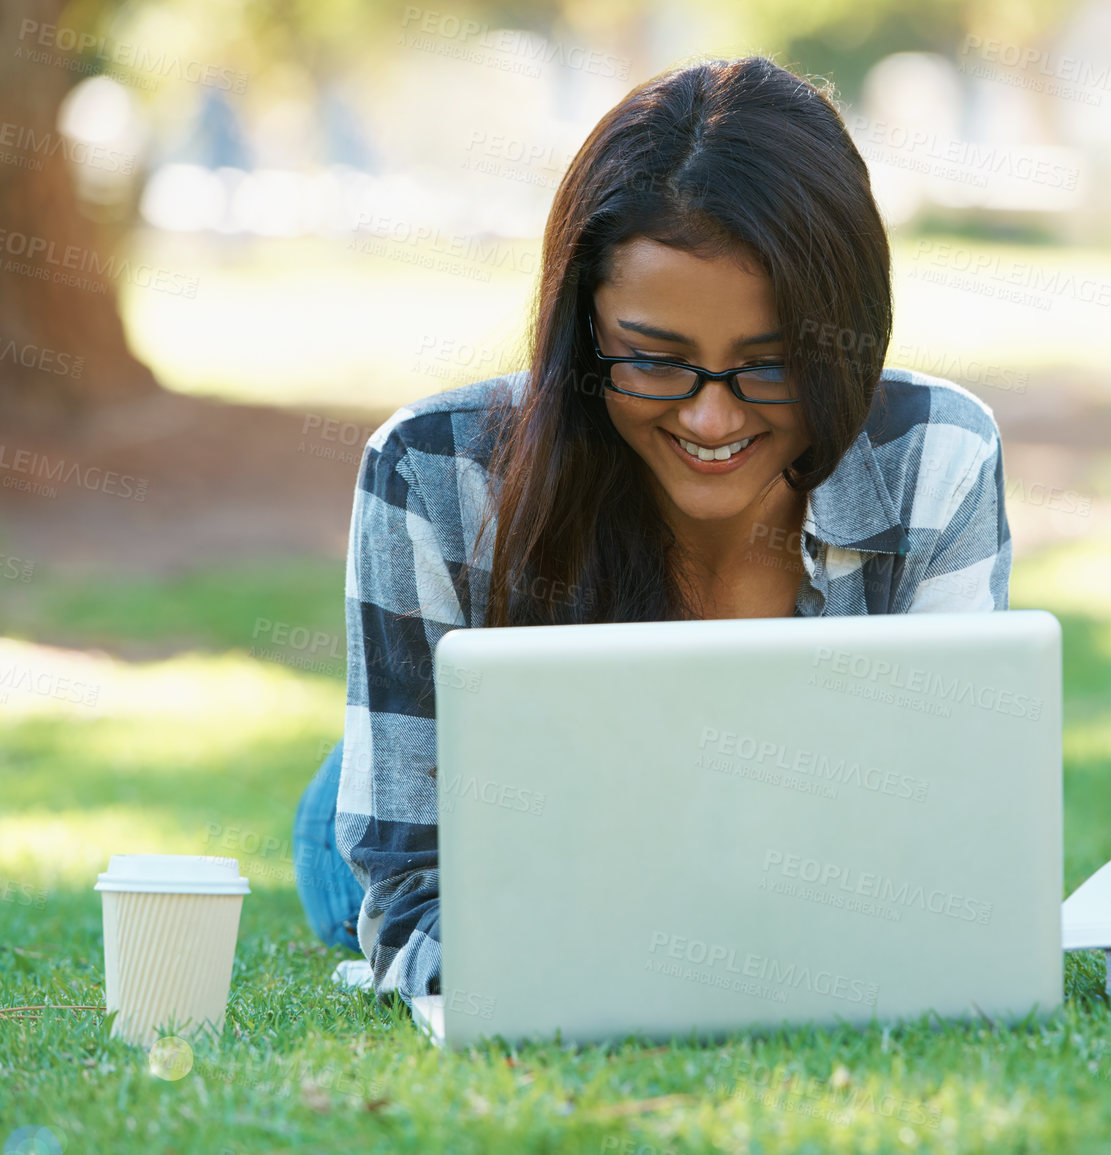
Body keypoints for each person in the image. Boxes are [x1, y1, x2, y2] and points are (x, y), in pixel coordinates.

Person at [292, 55, 1013, 1000]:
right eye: (656, 361)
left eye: (770, 363)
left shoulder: (936, 454)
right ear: (581, 329)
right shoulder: (431, 471)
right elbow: (413, 896)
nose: (712, 420)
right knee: (339, 833)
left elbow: (947, 855)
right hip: (442, 787)